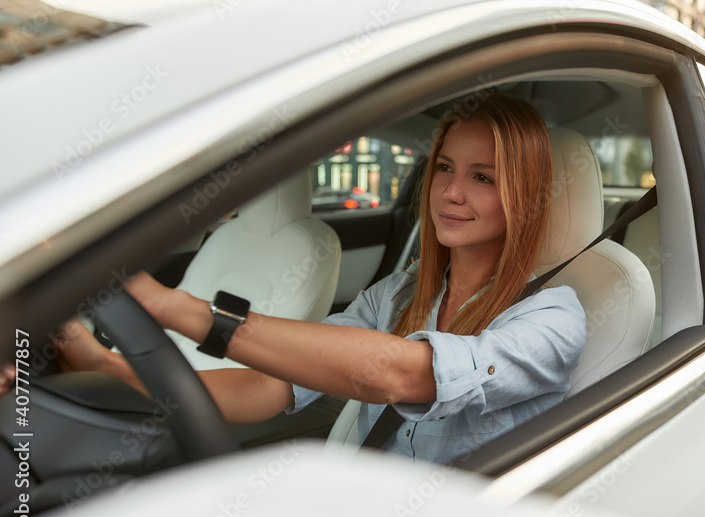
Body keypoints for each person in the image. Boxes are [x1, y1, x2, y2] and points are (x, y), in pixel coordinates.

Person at [1, 94, 587, 464]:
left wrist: (173, 307)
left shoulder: (554, 318)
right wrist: (106, 366)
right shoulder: (400, 293)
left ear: (525, 195)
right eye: (444, 168)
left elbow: (399, 371)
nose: (452, 192)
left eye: (483, 177)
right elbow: (266, 390)